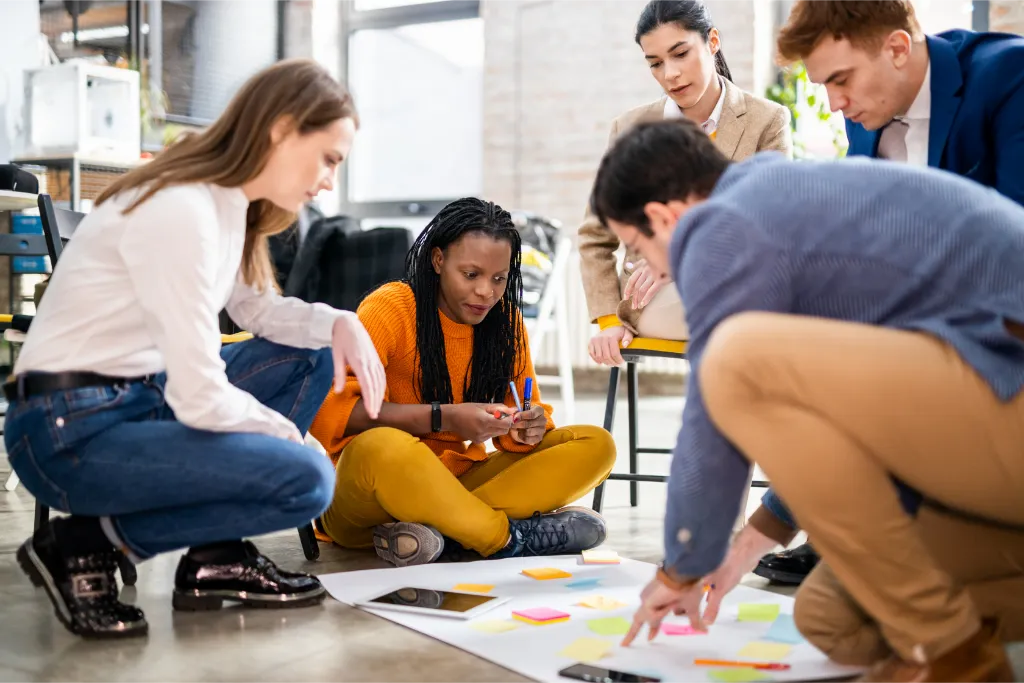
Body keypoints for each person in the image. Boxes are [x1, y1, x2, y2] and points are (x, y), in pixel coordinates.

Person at [590, 118, 1023, 682]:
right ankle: (951, 633)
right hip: (981, 419)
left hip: (1006, 388)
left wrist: (681, 566)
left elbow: (712, 417)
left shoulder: (725, 226)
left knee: (732, 357)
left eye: (638, 247)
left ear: (664, 216)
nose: (656, 270)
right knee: (833, 622)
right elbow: (840, 426)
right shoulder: (773, 204)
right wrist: (752, 541)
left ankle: (957, 653)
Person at [4, 60, 386, 639]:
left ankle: (214, 555)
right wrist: (287, 435)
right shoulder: (181, 208)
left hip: (135, 399)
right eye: (329, 158)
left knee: (309, 351)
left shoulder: (227, 203)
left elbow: (257, 311)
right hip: (67, 430)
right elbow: (200, 395)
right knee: (308, 479)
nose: (330, 180)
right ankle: (84, 544)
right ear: (282, 129)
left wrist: (341, 323)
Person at [755, 0, 1024, 588]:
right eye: (822, 85)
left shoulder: (1009, 80)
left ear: (898, 49)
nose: (833, 103)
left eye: (840, 80)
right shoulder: (868, 113)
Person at [309, 198, 615, 567]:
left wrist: (527, 426)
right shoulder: (390, 308)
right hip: (367, 498)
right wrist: (444, 418)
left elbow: (521, 411)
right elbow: (331, 413)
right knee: (381, 446)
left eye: (499, 278)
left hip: (456, 484)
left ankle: (442, 535)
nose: (487, 291)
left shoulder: (506, 324)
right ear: (438, 261)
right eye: (471, 275)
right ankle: (504, 538)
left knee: (595, 444)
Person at [580, 0, 792, 366]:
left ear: (712, 42)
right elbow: (594, 235)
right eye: (656, 64)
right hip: (653, 300)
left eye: (680, 54)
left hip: (735, 278)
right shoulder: (629, 128)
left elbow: (770, 223)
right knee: (752, 323)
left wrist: (680, 255)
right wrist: (609, 320)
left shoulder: (766, 120)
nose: (670, 74)